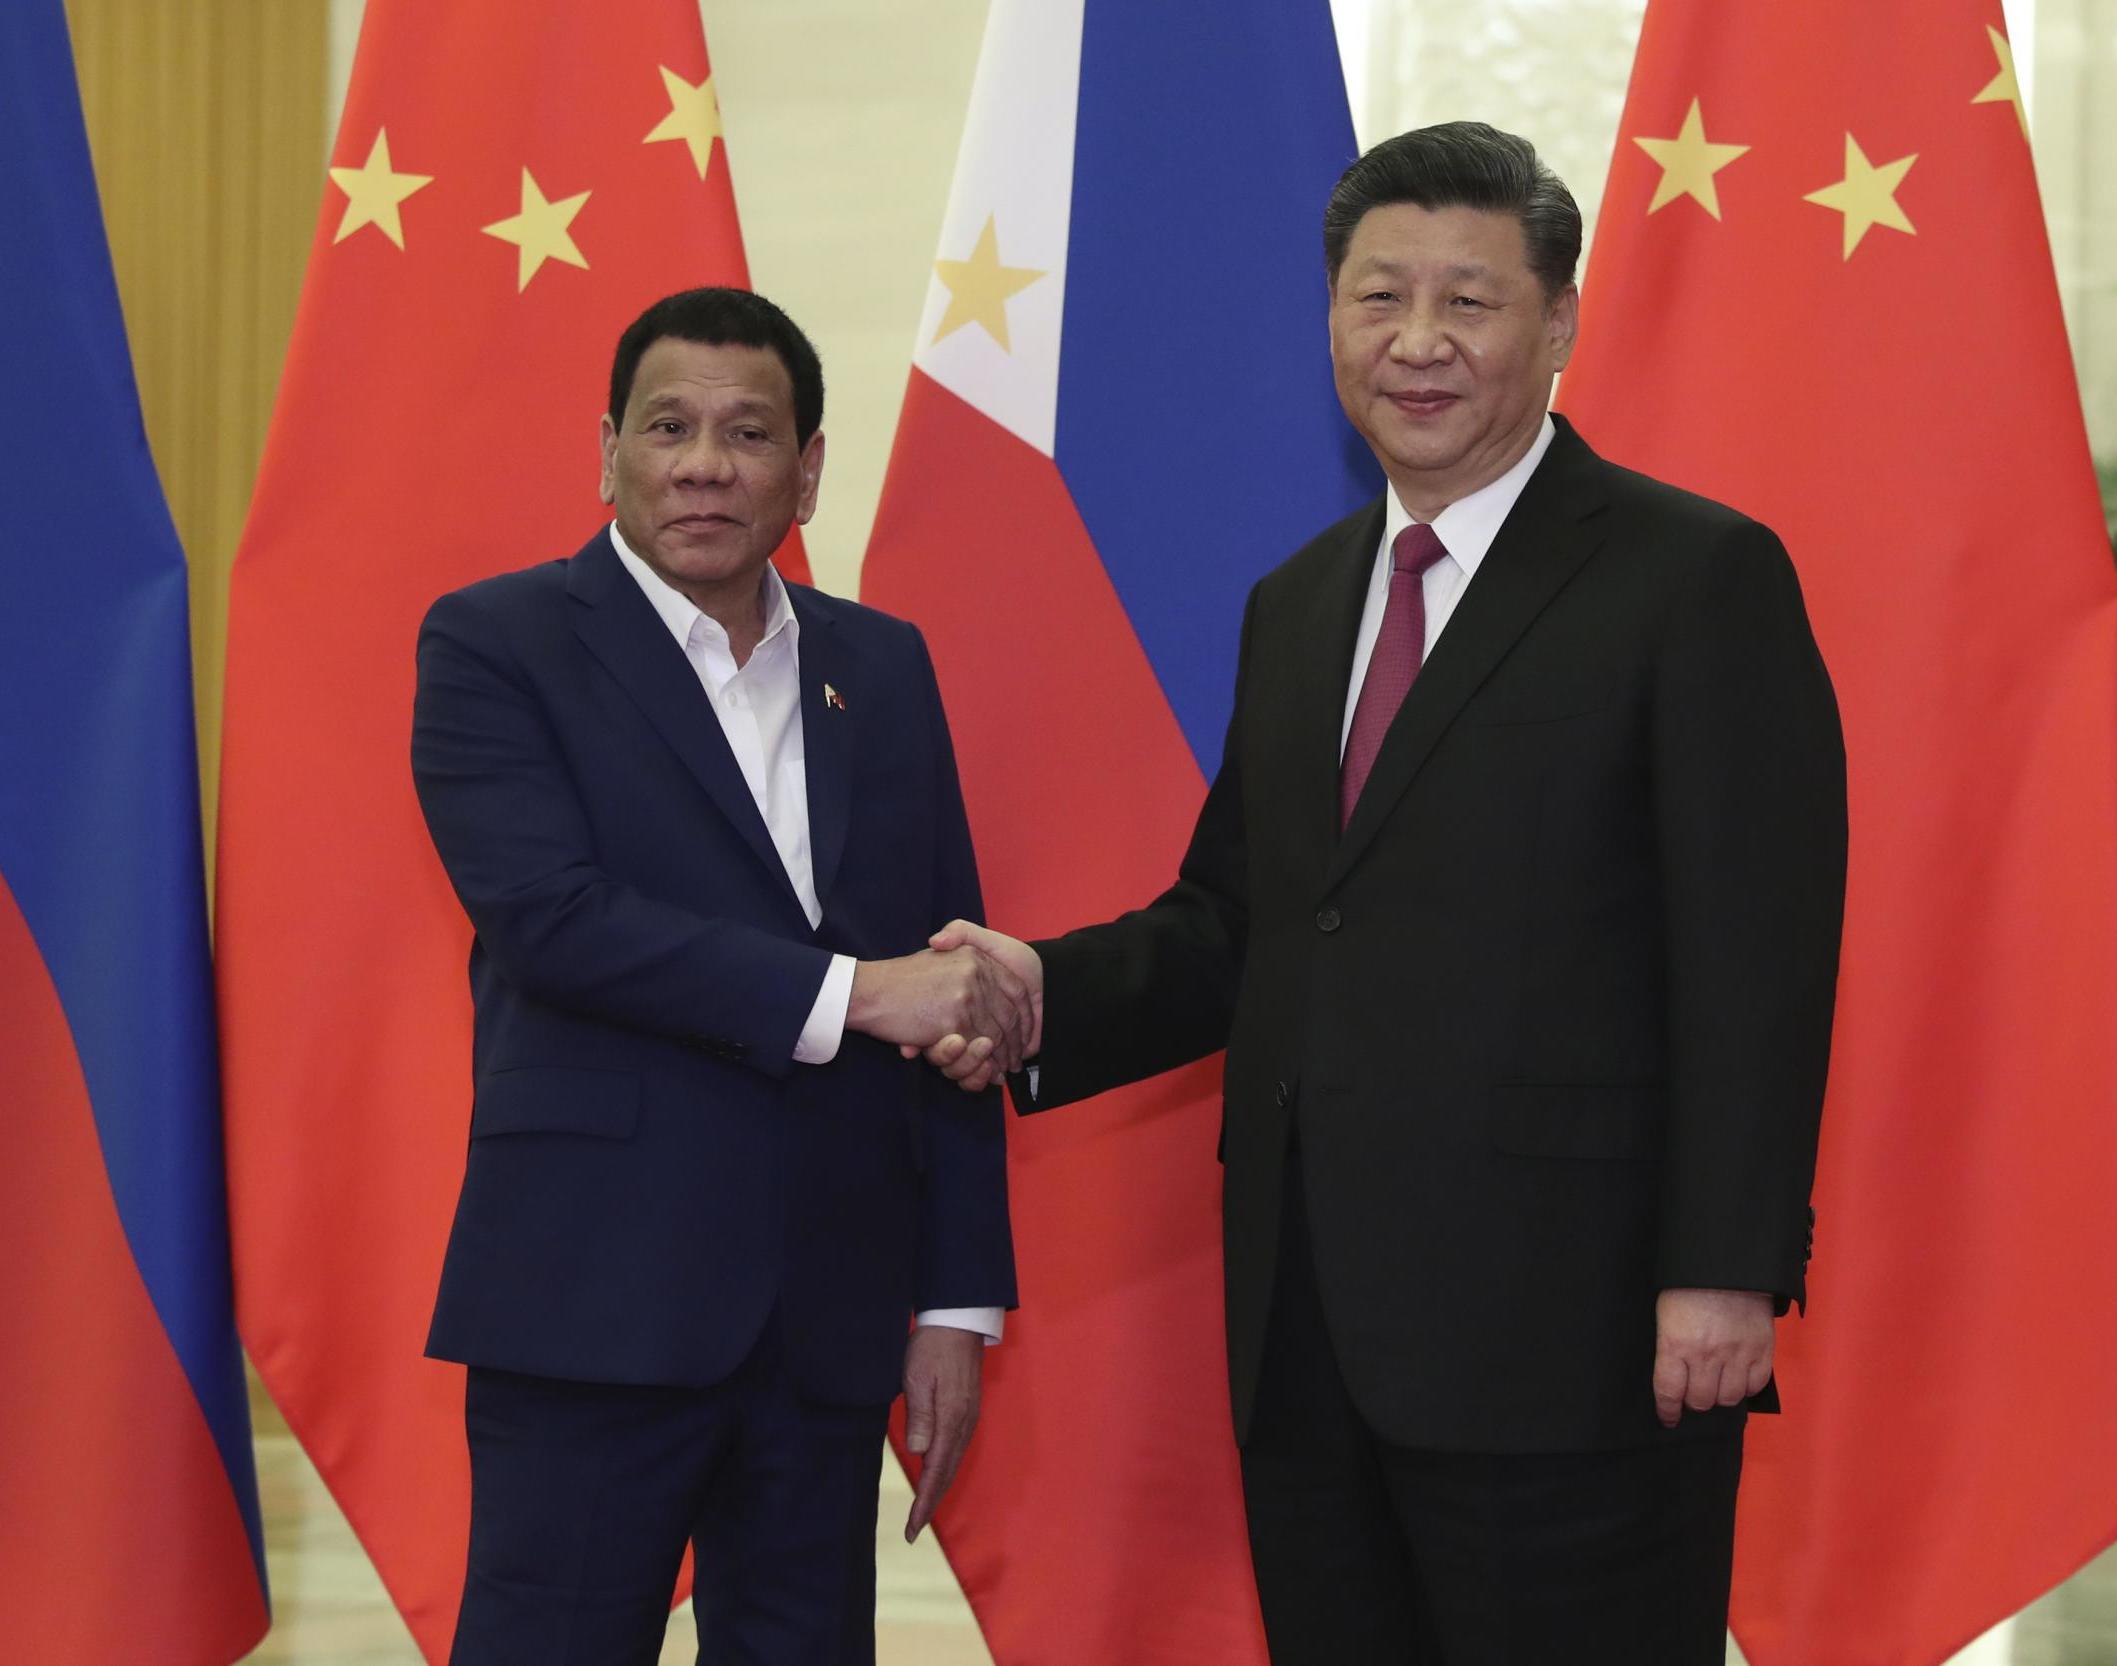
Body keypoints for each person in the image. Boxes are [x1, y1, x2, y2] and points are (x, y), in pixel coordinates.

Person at [926, 123, 1848, 1665]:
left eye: (1467, 301)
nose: (1417, 342)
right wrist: (1032, 992)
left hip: (1577, 1336)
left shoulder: (1693, 576)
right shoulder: (1299, 601)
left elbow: (1754, 955)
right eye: (1378, 297)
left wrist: (1723, 1267)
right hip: (1310, 1337)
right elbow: (1247, 921)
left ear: (1557, 322)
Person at [410, 286, 1024, 1665]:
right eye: (667, 427)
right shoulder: (497, 643)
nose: (704, 465)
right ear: (608, 452)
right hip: (593, 1294)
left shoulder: (882, 663)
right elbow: (556, 920)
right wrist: (854, 995)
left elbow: (949, 975)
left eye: (748, 433)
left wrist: (954, 1299)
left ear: (807, 470)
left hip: (827, 1311)